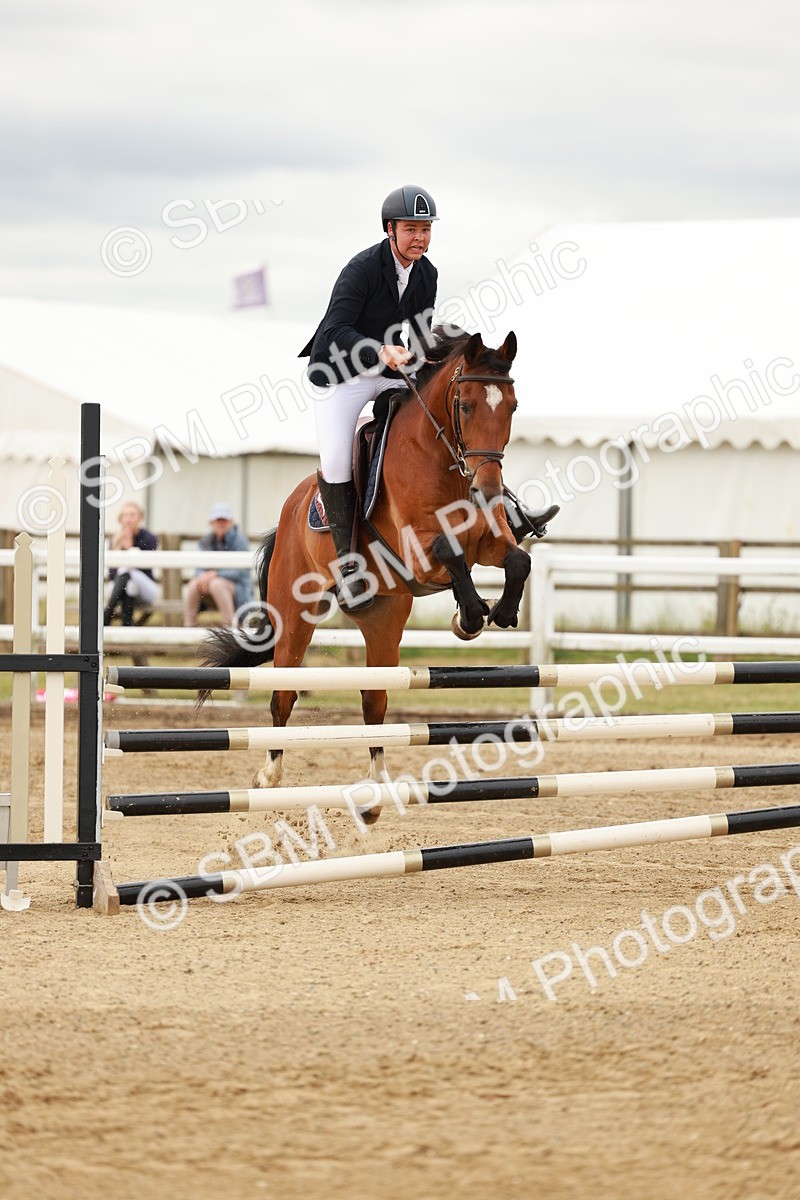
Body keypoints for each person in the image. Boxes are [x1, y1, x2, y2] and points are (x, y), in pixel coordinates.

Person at [299, 184, 439, 608]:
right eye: (412, 229)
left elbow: (419, 335)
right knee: (337, 461)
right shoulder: (361, 269)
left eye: (426, 229)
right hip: (339, 374)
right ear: (390, 229)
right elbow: (335, 331)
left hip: (388, 371)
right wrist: (380, 350)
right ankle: (346, 565)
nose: (420, 238)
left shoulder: (427, 274)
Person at [183, 503, 253, 628]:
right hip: (210, 585)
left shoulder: (240, 541)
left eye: (224, 520)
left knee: (217, 584)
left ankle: (230, 626)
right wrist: (204, 577)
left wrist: (214, 574)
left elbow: (241, 572)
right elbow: (199, 567)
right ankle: (189, 626)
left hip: (237, 587)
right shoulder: (205, 542)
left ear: (231, 522)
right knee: (194, 584)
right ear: (212, 522)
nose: (221, 523)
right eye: (218, 520)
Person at [103, 501, 159, 626]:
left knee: (126, 571)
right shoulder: (115, 539)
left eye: (132, 515)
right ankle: (127, 626)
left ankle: (107, 614)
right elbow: (112, 574)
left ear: (140, 517)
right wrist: (121, 548)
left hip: (145, 588)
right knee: (129, 584)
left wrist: (129, 548)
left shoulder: (149, 538)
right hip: (125, 588)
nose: (128, 520)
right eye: (125, 516)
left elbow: (145, 568)